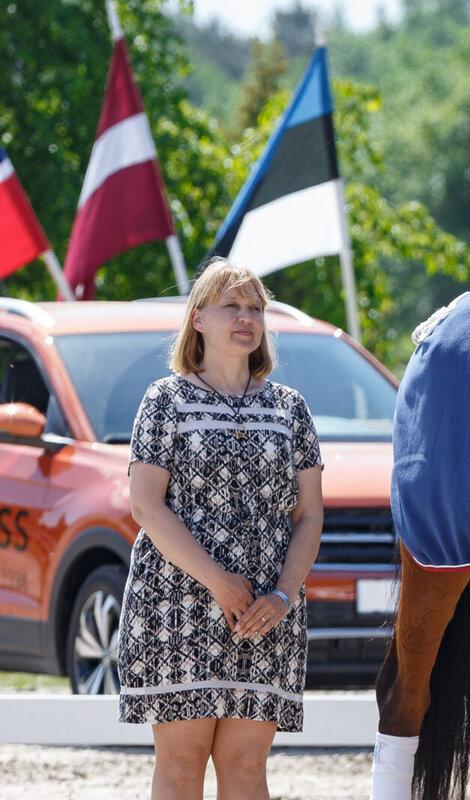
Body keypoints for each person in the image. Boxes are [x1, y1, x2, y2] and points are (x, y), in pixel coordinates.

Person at [120, 258, 323, 799]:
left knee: (246, 765)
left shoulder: (290, 410)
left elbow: (308, 515)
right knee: (182, 763)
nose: (246, 317)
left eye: (255, 307)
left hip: (265, 614)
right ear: (198, 320)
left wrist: (283, 594)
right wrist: (218, 581)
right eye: (231, 305)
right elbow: (146, 506)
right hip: (178, 607)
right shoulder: (165, 400)